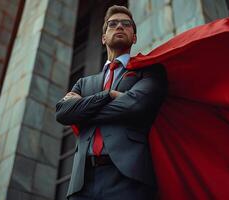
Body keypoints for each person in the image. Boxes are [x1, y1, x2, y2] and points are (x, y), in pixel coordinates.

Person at [56, 5, 167, 200]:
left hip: (129, 179)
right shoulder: (84, 82)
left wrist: (83, 110)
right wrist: (108, 95)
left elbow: (136, 105)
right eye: (112, 24)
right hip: (81, 184)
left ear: (134, 37)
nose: (119, 27)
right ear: (103, 37)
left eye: (126, 24)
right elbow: (63, 113)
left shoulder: (149, 71)